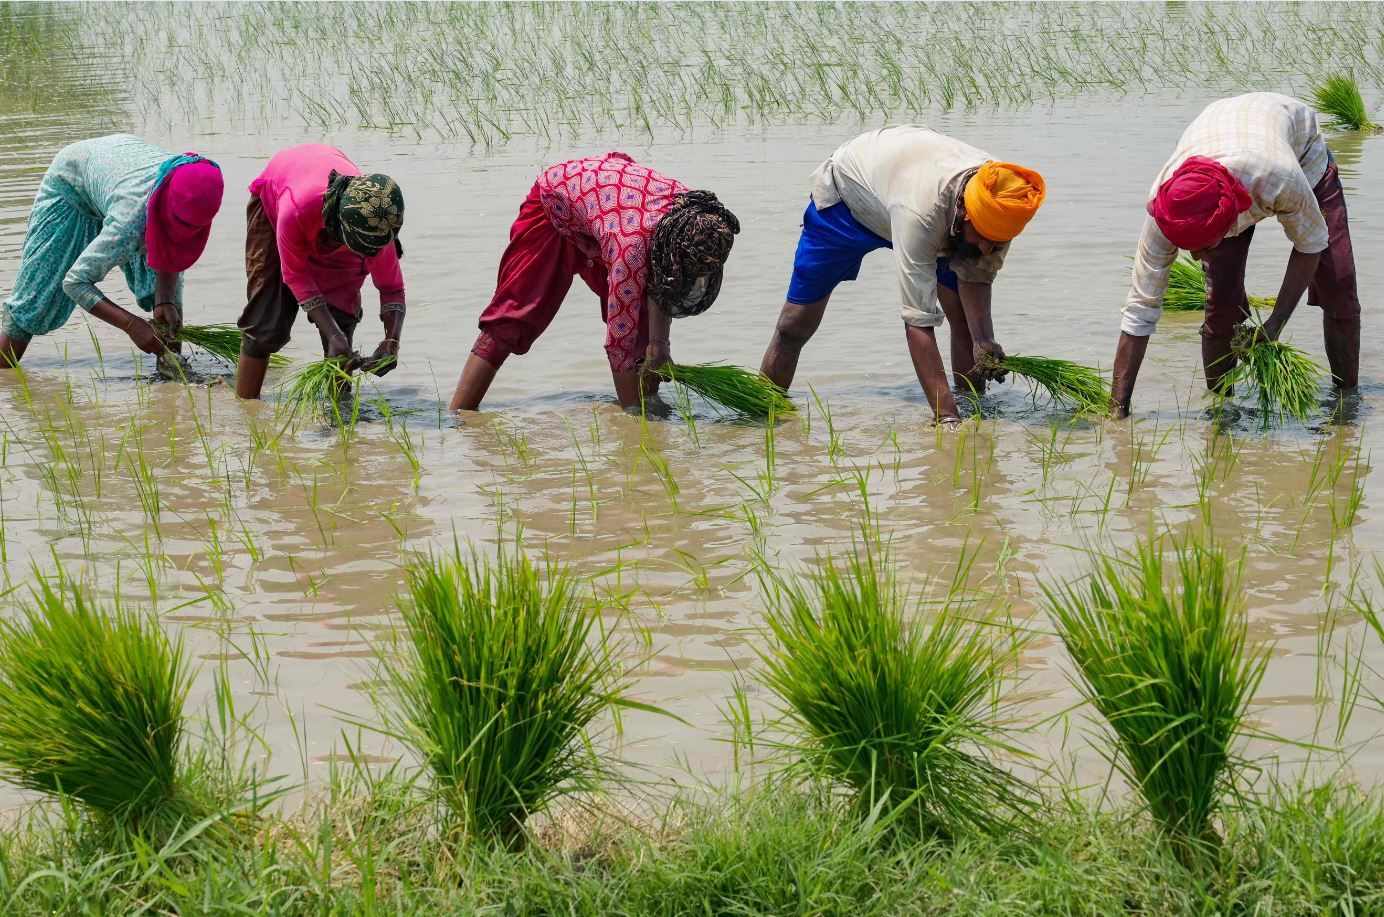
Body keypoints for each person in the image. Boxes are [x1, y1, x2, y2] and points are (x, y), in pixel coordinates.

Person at [758, 124, 1046, 425]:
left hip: (916, 196)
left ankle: (974, 406)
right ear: (963, 212)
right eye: (984, 238)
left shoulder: (1002, 202)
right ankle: (763, 414)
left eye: (997, 243)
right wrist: (946, 421)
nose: (988, 249)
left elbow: (976, 274)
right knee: (794, 325)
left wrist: (983, 340)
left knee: (962, 316)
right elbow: (918, 321)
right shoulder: (922, 212)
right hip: (848, 203)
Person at [1110, 92, 1360, 417]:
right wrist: (1117, 410)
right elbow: (1139, 311)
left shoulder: (1281, 179)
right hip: (1223, 132)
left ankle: (1347, 406)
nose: (1197, 258)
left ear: (1230, 221)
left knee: (1338, 285)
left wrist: (1275, 324)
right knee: (1221, 304)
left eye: (1203, 247)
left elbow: (1310, 244)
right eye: (1190, 248)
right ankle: (1222, 411)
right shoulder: (1167, 209)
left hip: (1298, 150)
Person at [449, 151, 740, 411]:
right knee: (513, 319)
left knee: (642, 333)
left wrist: (659, 343)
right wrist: (633, 422)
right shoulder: (632, 249)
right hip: (554, 206)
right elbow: (618, 344)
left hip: (609, 211)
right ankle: (457, 418)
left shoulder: (695, 216)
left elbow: (664, 277)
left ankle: (652, 405)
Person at [0, 134, 223, 365]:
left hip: (118, 173)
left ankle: (173, 373)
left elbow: (172, 251)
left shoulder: (197, 187)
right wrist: (131, 325)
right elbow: (75, 282)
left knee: (169, 300)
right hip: (71, 184)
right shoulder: (130, 222)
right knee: (35, 299)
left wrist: (164, 301)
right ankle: (4, 376)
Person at [235, 144, 406, 400]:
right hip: (279, 196)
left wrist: (391, 341)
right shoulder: (296, 210)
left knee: (342, 320)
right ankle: (246, 409)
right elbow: (295, 276)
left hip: (343, 224)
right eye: (361, 249)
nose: (370, 255)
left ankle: (340, 420)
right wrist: (332, 332)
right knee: (265, 323)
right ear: (339, 228)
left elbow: (392, 288)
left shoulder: (376, 226)